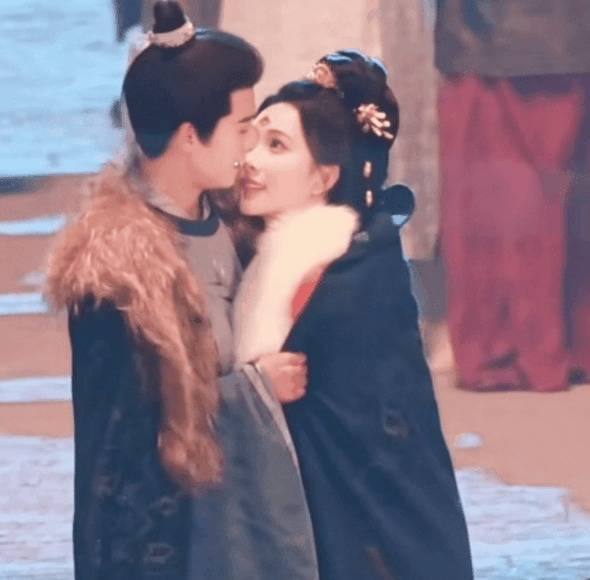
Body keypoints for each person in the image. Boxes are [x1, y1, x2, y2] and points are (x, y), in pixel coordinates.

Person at [45, 2, 317, 578]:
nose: (250, 143)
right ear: (191, 137)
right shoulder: (119, 276)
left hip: (243, 523)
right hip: (173, 546)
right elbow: (126, 447)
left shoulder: (236, 221)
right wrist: (256, 391)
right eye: (241, 127)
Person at [233, 51, 474, 579]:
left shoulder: (341, 281)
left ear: (323, 178)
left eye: (276, 146)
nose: (250, 159)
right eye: (251, 138)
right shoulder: (295, 256)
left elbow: (368, 446)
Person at [435, 0, 590, 391]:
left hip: (492, 38)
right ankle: (568, 342)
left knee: (502, 197)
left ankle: (510, 346)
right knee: (561, 192)